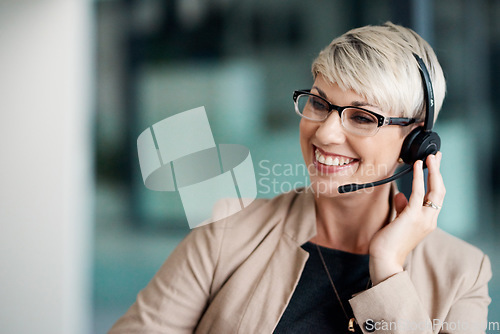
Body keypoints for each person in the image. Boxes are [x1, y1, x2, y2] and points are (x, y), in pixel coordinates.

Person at [109, 22, 491, 333]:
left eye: (361, 117)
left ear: (416, 140)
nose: (325, 133)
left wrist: (388, 268)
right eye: (319, 103)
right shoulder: (227, 233)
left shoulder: (462, 275)